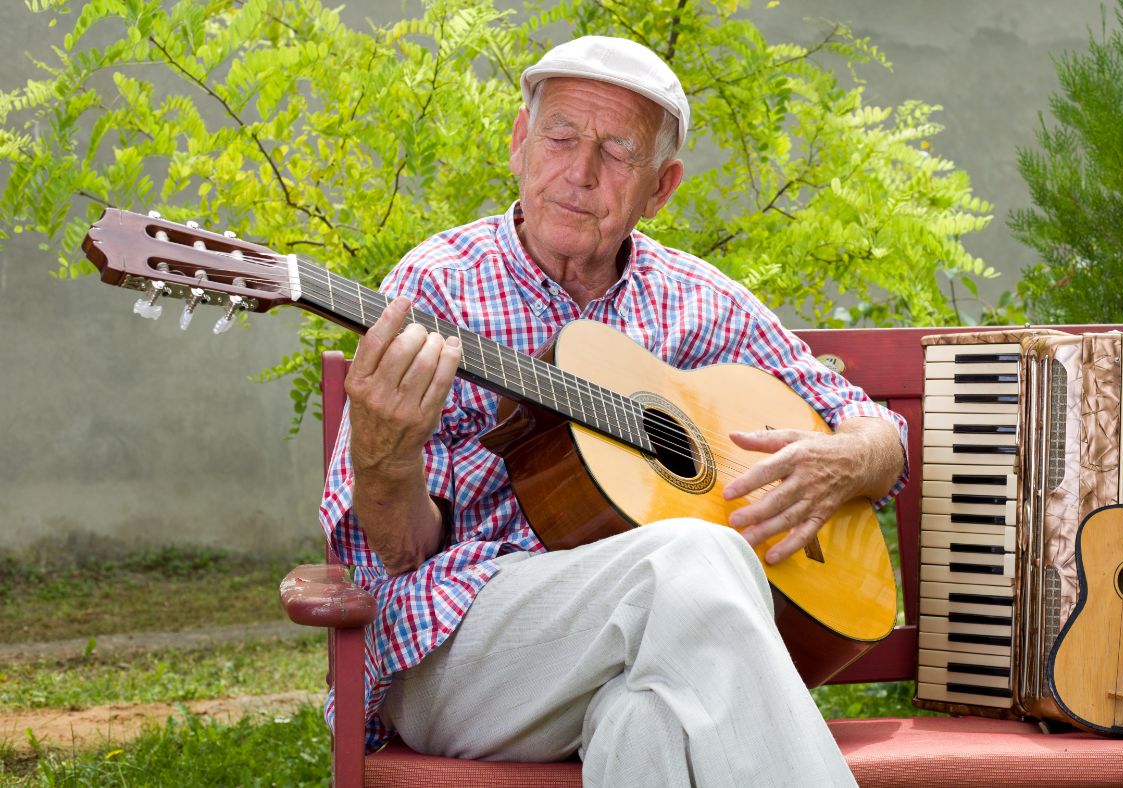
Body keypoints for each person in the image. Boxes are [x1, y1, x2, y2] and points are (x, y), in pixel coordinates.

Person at [320, 35, 907, 787]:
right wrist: (384, 454)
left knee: (649, 721)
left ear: (659, 189)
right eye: (560, 137)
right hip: (463, 652)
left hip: (648, 650)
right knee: (699, 552)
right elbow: (398, 554)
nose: (581, 172)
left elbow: (872, 426)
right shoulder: (436, 291)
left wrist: (850, 458)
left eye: (617, 153)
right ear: (520, 145)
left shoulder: (701, 300)